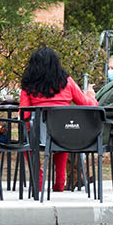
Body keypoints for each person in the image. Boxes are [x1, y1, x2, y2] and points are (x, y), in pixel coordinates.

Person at [18, 46, 96, 193]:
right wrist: (92, 96)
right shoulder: (67, 81)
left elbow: (25, 115)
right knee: (62, 131)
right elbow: (86, 104)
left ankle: (38, 176)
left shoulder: (28, 84)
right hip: (65, 134)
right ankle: (60, 180)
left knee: (26, 141)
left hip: (39, 135)